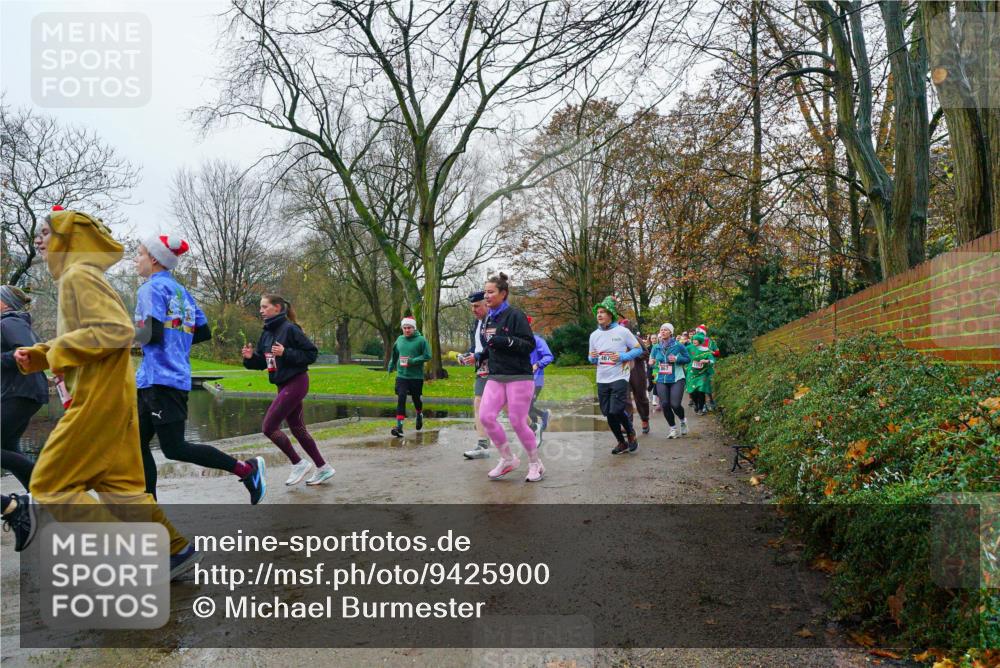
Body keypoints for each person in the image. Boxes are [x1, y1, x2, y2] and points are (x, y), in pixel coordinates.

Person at [2, 207, 198, 579]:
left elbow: (115, 331)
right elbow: (97, 334)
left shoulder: (78, 276)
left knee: (49, 484)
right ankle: (176, 552)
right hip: (115, 398)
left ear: (67, 238)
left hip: (97, 400)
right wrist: (44, 354)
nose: (38, 241)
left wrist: (53, 352)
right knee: (122, 490)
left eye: (45, 233)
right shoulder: (81, 276)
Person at [133, 235, 265, 504]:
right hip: (157, 379)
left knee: (174, 448)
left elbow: (152, 334)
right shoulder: (181, 291)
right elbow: (202, 331)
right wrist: (176, 343)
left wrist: (118, 339)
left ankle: (246, 469)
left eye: (139, 254)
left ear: (155, 259)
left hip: (161, 380)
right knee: (136, 445)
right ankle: (149, 508)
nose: (136, 260)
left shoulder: (150, 289)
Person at [242, 294, 333, 486]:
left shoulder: (290, 329)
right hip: (282, 384)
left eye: (264, 307)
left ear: (277, 308)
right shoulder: (266, 333)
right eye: (261, 307)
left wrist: (286, 353)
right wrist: (250, 358)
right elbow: (262, 361)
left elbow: (311, 353)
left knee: (268, 427)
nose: (261, 310)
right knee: (297, 428)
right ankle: (323, 468)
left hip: (297, 382)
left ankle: (298, 462)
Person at [477, 272, 545, 482]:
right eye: (485, 292)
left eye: (490, 292)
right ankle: (507, 458)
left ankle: (535, 464)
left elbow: (528, 344)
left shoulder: (516, 315)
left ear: (503, 294)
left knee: (517, 421)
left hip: (519, 376)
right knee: (486, 417)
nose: (486, 296)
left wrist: (505, 341)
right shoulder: (488, 317)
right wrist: (478, 356)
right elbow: (491, 346)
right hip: (496, 375)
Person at [1, 285, 48, 491]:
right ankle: (38, 496)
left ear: (4, 303)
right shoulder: (14, 322)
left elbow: (24, 353)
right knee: (9, 446)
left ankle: (46, 487)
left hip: (20, 392)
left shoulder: (9, 322)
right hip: (23, 392)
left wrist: (11, 356)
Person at [588, 297, 643, 455]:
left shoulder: (622, 331)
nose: (599, 315)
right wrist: (592, 358)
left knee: (616, 409)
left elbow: (638, 349)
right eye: (598, 312)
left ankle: (631, 433)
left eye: (603, 312)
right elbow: (592, 357)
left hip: (620, 376)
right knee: (607, 412)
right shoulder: (594, 335)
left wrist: (622, 357)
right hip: (602, 377)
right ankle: (621, 441)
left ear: (611, 314)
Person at [460, 291, 491, 459]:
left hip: (499, 368)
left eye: (477, 306)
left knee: (510, 408)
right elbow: (477, 347)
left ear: (486, 304)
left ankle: (533, 427)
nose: (473, 309)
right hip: (482, 368)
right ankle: (482, 445)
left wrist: (477, 356)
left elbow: (494, 347)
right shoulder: (476, 323)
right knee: (478, 403)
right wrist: (467, 356)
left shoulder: (493, 321)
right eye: (472, 306)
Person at [388, 317, 431, 438]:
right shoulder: (400, 339)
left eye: (409, 328)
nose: (407, 330)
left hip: (416, 376)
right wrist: (391, 365)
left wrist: (412, 361)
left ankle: (419, 414)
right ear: (402, 328)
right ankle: (399, 427)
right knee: (401, 397)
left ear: (414, 328)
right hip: (402, 375)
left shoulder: (421, 340)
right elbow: (395, 354)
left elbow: (428, 356)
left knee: (416, 399)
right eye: (405, 328)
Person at [649, 323, 691, 438]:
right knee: (665, 404)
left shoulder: (679, 346)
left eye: (665, 330)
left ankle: (683, 421)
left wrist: (677, 358)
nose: (662, 331)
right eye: (661, 330)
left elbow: (688, 359)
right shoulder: (656, 347)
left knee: (675, 404)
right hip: (662, 378)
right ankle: (673, 429)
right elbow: (652, 360)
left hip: (677, 378)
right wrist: (651, 363)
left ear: (671, 332)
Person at [619, 318, 650, 435]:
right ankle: (628, 425)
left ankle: (645, 419)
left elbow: (646, 353)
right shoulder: (617, 341)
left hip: (637, 372)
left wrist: (632, 355)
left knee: (640, 397)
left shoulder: (635, 339)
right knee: (625, 399)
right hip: (623, 372)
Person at [526, 316, 554, 444]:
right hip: (520, 381)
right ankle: (543, 415)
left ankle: (536, 435)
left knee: (527, 407)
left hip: (536, 380)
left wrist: (537, 365)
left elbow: (549, 356)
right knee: (524, 407)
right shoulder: (516, 342)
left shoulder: (537, 340)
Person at [686, 331, 715, 415]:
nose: (694, 341)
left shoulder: (706, 350)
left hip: (703, 373)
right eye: (693, 339)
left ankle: (701, 408)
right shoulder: (689, 348)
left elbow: (712, 360)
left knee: (701, 390)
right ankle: (696, 403)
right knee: (693, 391)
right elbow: (682, 353)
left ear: (700, 341)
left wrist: (706, 360)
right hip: (692, 373)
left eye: (696, 340)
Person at [695, 324, 721, 410]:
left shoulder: (711, 342)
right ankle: (703, 404)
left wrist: (711, 352)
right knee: (700, 386)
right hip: (698, 368)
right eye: (697, 333)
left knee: (709, 384)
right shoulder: (695, 342)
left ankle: (712, 401)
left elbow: (717, 353)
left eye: (700, 332)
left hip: (710, 366)